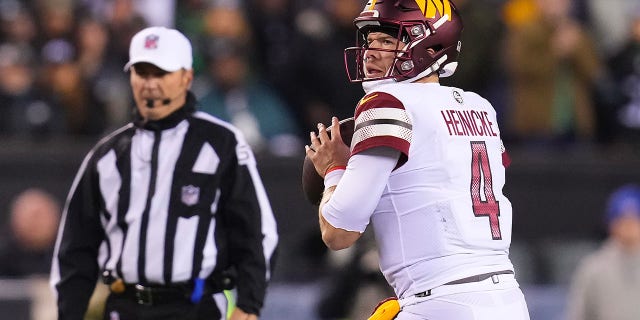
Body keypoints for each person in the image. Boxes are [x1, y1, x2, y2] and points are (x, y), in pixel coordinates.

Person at [304, 1, 530, 319]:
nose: (371, 51)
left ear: (429, 43)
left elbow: (338, 233)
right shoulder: (480, 107)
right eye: (370, 40)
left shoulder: (387, 103)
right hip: (507, 299)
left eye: (387, 40)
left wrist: (333, 170)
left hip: (439, 302)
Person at [50, 26, 279, 320]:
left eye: (161, 73)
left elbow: (257, 232)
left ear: (187, 77)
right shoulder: (107, 155)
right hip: (124, 307)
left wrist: (249, 304)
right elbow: (75, 247)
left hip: (197, 308)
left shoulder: (221, 143)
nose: (150, 84)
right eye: (142, 73)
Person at [566, 184, 640, 320]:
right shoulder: (593, 268)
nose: (629, 226)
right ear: (611, 223)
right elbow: (579, 315)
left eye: (634, 219)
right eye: (622, 219)